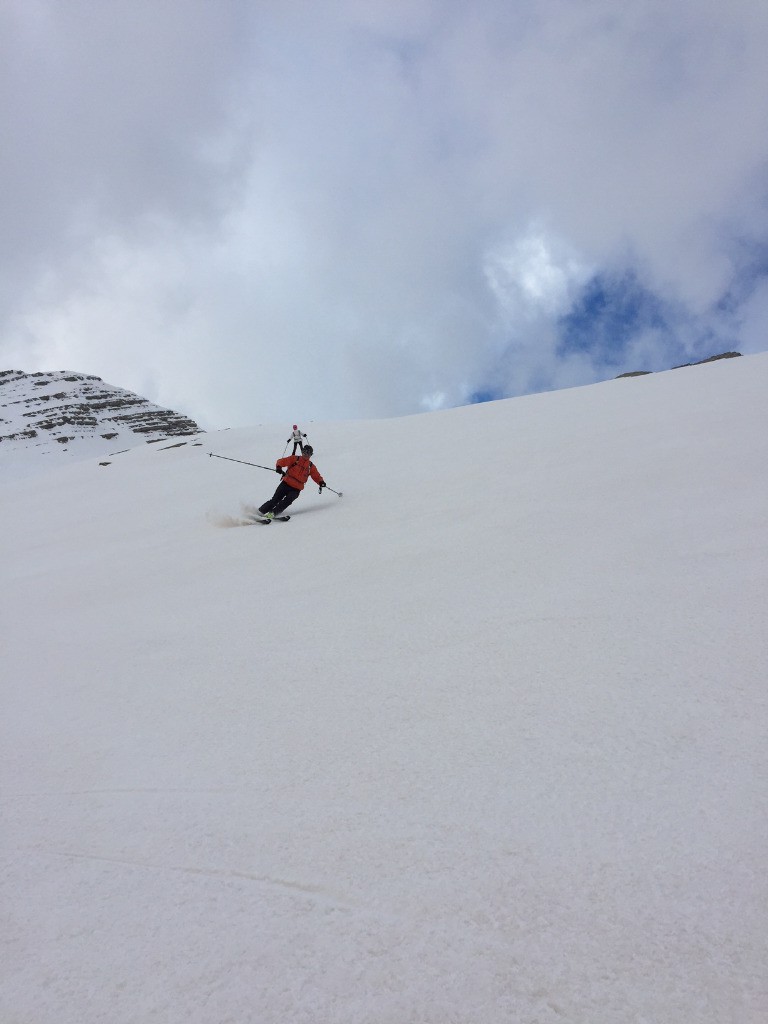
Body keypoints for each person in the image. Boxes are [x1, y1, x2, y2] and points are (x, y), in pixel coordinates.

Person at [257, 444, 325, 519]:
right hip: (285, 484)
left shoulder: (310, 466)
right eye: (305, 452)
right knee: (275, 500)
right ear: (302, 452)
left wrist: (321, 482)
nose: (306, 455)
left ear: (311, 455)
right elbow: (281, 461)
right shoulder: (295, 459)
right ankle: (260, 512)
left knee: (287, 501)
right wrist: (279, 467)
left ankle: (272, 514)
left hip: (296, 489)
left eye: (308, 453)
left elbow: (316, 476)